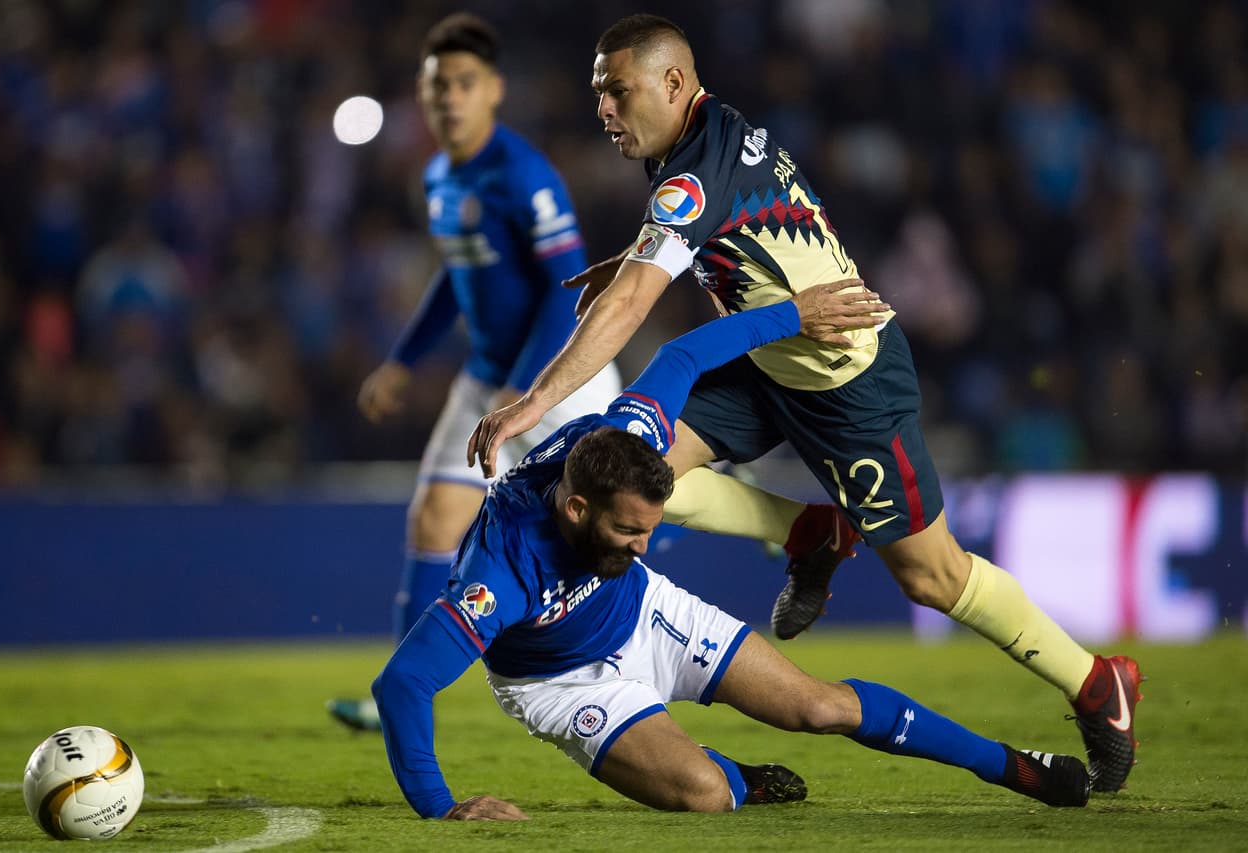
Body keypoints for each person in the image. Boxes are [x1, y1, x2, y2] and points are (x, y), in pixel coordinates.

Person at [466, 14, 1141, 793]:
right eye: (599, 95)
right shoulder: (704, 136)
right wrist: (629, 260)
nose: (605, 111)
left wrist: (534, 400)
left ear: (673, 83)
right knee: (640, 474)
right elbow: (721, 223)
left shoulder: (686, 176)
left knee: (931, 576)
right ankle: (811, 531)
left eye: (618, 91)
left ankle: (1096, 682)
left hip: (844, 378)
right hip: (768, 360)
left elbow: (631, 308)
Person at [372, 289, 1090, 820]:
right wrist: (442, 806)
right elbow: (402, 682)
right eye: (627, 532)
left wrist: (796, 313)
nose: (644, 542)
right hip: (563, 683)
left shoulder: (631, 432)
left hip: (646, 611)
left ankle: (1015, 766)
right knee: (706, 796)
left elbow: (682, 352)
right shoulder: (499, 573)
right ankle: (732, 774)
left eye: (649, 527)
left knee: (817, 707)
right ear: (575, 507)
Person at [328, 14, 624, 731]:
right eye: (438, 87)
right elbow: (453, 280)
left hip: (559, 379)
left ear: (493, 90)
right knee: (432, 517)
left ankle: (733, 495)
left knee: (634, 509)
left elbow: (569, 292)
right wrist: (403, 359)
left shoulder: (524, 175)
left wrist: (524, 389)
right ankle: (398, 691)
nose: (450, 99)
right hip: (488, 381)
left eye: (464, 83)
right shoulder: (437, 176)